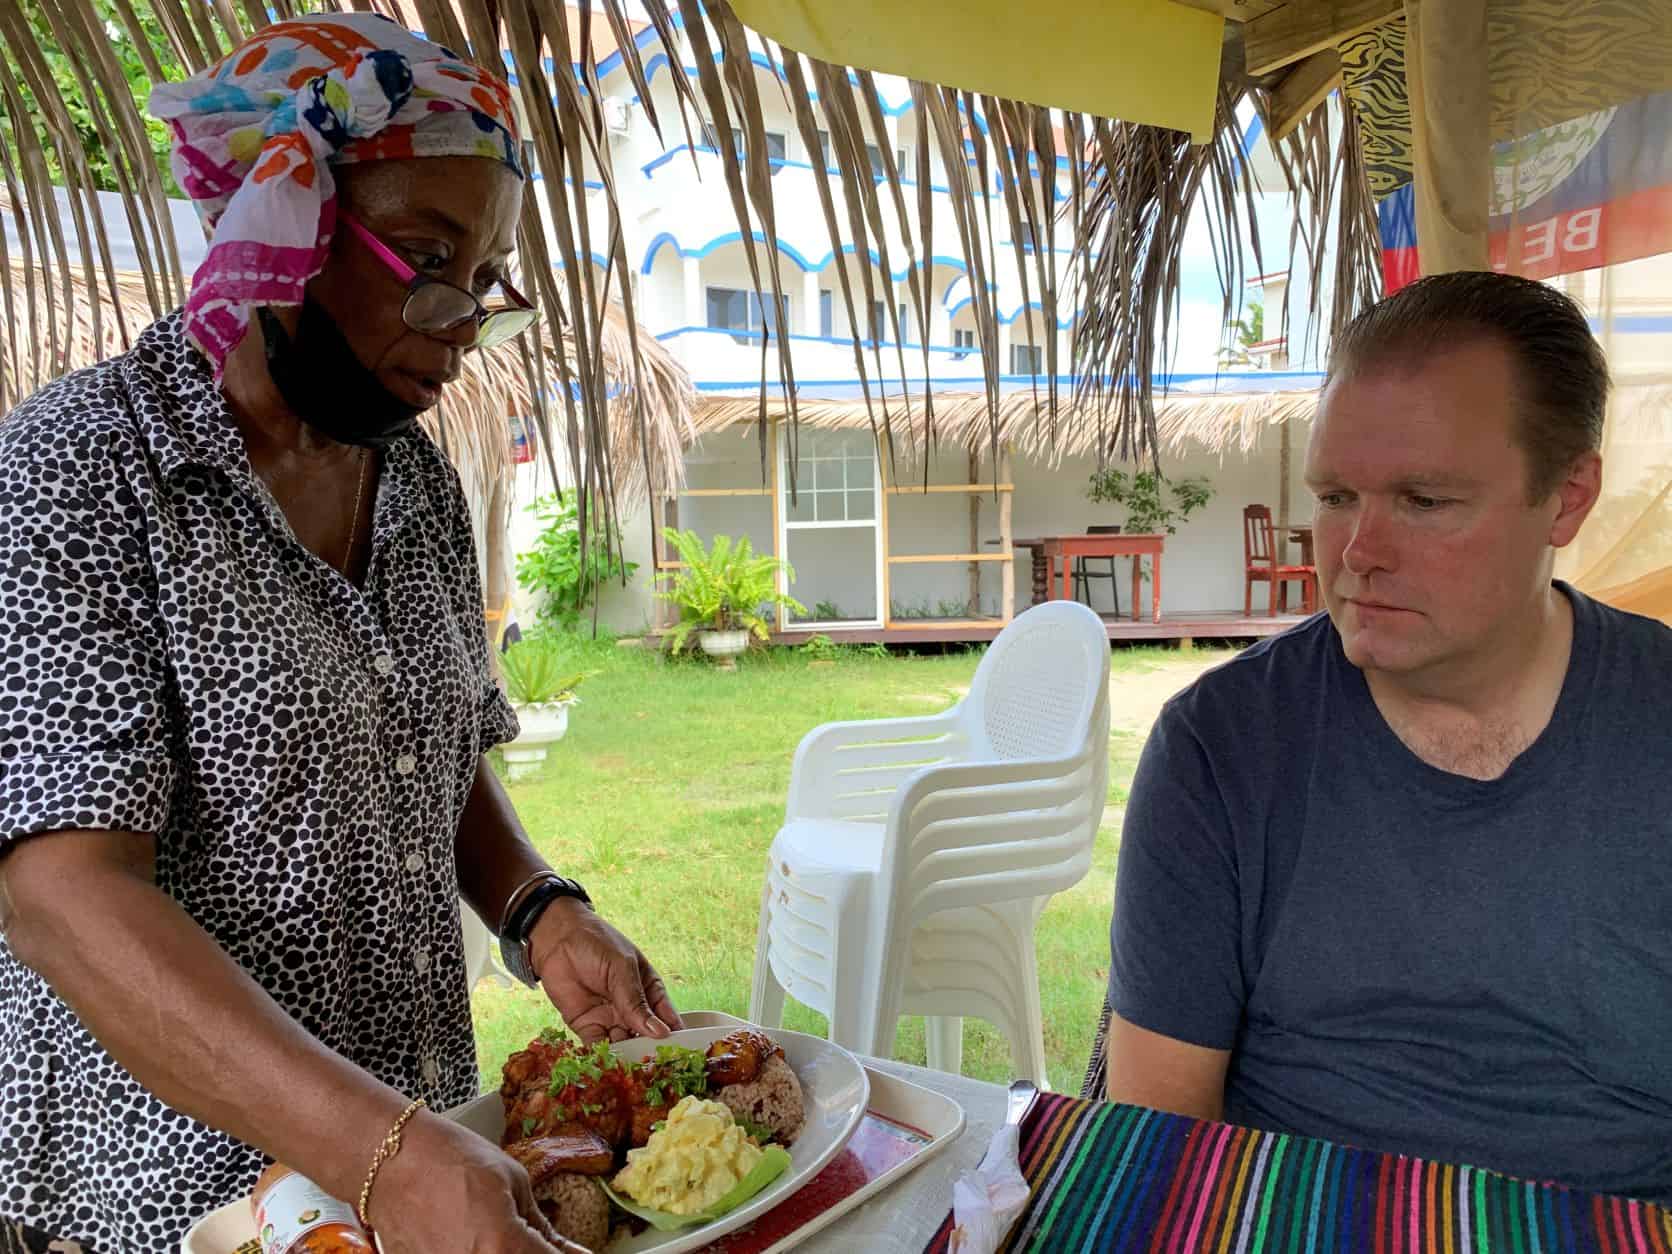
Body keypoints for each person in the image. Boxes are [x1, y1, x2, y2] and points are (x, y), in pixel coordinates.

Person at [0, 14, 678, 1253]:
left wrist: (539, 908)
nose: (465, 321)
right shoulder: (83, 469)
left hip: (416, 1157)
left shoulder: (411, 483)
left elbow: (433, 751)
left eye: (486, 284)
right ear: (287, 221)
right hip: (181, 1197)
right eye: (428, 257)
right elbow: (60, 889)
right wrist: (384, 1151)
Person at [1105, 270, 1672, 1202]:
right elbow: (1159, 1152)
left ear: (1567, 498)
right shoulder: (1222, 749)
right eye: (1334, 497)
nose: (1357, 552)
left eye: (1423, 500)